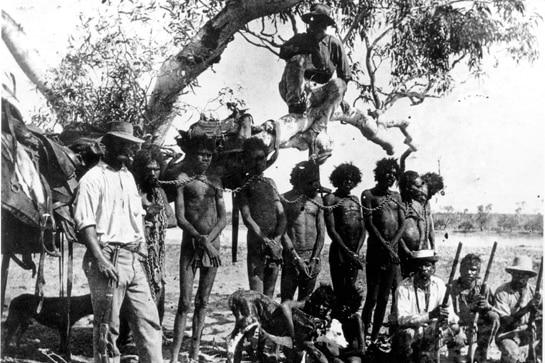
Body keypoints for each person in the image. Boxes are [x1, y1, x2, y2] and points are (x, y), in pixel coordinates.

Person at [74, 121, 163, 363]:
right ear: (106, 146)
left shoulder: (128, 178)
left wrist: (142, 249)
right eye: (121, 144)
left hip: (132, 260)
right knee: (107, 329)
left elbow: (135, 218)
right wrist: (101, 260)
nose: (127, 150)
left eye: (131, 145)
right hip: (108, 257)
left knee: (149, 322)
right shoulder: (92, 179)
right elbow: (85, 224)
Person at [170, 135, 227, 362]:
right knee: (184, 302)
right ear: (192, 155)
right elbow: (180, 217)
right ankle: (174, 356)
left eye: (209, 155)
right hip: (190, 246)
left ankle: (193, 355)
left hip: (212, 247)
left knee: (203, 301)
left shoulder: (216, 181)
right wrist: (198, 237)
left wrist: (208, 239)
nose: (205, 158)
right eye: (201, 154)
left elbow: (223, 218)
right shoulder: (182, 179)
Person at [278, 3, 351, 157]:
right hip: (297, 89)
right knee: (299, 59)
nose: (315, 25)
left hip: (319, 92)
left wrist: (339, 97)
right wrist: (306, 48)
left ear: (326, 25)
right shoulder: (300, 39)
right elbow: (283, 52)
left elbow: (345, 75)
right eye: (313, 21)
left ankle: (317, 130)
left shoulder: (333, 43)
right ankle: (296, 108)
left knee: (340, 83)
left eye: (320, 22)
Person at [360, 158, 405, 342]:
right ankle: (363, 336)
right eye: (388, 173)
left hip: (393, 254)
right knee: (372, 296)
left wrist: (392, 245)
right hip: (376, 252)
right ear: (380, 173)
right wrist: (386, 246)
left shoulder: (397, 196)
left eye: (394, 174)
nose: (391, 177)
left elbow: (402, 224)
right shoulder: (368, 195)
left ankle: (375, 336)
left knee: (385, 298)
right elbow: (369, 224)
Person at [132, 145, 176, 323]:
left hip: (156, 252)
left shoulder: (160, 193)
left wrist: (153, 216)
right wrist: (145, 216)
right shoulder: (133, 191)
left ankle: (156, 332)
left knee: (158, 290)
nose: (153, 173)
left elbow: (172, 220)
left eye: (156, 169)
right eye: (148, 169)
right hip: (137, 251)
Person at [237, 138, 286, 297]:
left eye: (263, 158)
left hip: (274, 245)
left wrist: (277, 240)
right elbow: (247, 217)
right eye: (255, 159)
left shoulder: (270, 183)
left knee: (270, 295)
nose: (260, 162)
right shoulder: (244, 185)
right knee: (257, 295)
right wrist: (265, 240)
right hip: (256, 245)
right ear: (248, 161)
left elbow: (282, 215)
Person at [392, 250, 459, 363]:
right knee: (407, 335)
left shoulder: (439, 285)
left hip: (434, 330)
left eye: (427, 265)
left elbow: (451, 314)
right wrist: (429, 315)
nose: (424, 269)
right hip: (413, 331)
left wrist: (445, 318)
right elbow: (402, 319)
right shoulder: (403, 288)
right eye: (420, 265)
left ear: (433, 268)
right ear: (414, 268)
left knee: (456, 330)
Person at [281, 160, 325, 302]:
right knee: (287, 301)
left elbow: (321, 233)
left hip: (312, 257)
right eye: (311, 182)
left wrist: (315, 258)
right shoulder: (286, 199)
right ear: (301, 179)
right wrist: (295, 258)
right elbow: (282, 232)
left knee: (305, 302)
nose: (315, 186)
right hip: (291, 257)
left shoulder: (318, 200)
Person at [449, 254, 500, 363]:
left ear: (478, 273)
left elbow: (498, 312)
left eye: (473, 270)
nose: (469, 273)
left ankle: (481, 351)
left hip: (477, 328)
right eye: (465, 269)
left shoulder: (484, 289)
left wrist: (487, 306)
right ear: (460, 270)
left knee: (493, 317)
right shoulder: (450, 288)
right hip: (457, 328)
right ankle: (455, 354)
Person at [324, 163, 365, 294]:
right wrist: (347, 252)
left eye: (351, 179)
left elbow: (362, 229)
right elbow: (331, 229)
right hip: (339, 251)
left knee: (350, 290)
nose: (348, 182)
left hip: (355, 250)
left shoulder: (355, 199)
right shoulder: (331, 198)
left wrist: (356, 251)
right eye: (345, 178)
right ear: (338, 180)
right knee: (339, 290)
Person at [493, 255, 542, 363]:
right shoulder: (502, 292)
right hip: (507, 335)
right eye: (517, 273)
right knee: (513, 357)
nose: (519, 276)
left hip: (529, 333)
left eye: (523, 274)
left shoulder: (536, 292)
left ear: (528, 276)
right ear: (511, 273)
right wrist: (527, 308)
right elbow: (505, 322)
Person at [398, 170, 425, 278]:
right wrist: (406, 249)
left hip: (417, 250)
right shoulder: (398, 202)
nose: (420, 190)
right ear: (408, 186)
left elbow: (421, 227)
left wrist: (421, 244)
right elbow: (397, 230)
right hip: (402, 250)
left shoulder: (417, 204)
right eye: (417, 187)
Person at [419, 172, 444, 251]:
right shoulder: (412, 202)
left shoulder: (427, 203)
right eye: (430, 193)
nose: (430, 196)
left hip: (424, 246)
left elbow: (430, 228)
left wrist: (433, 246)